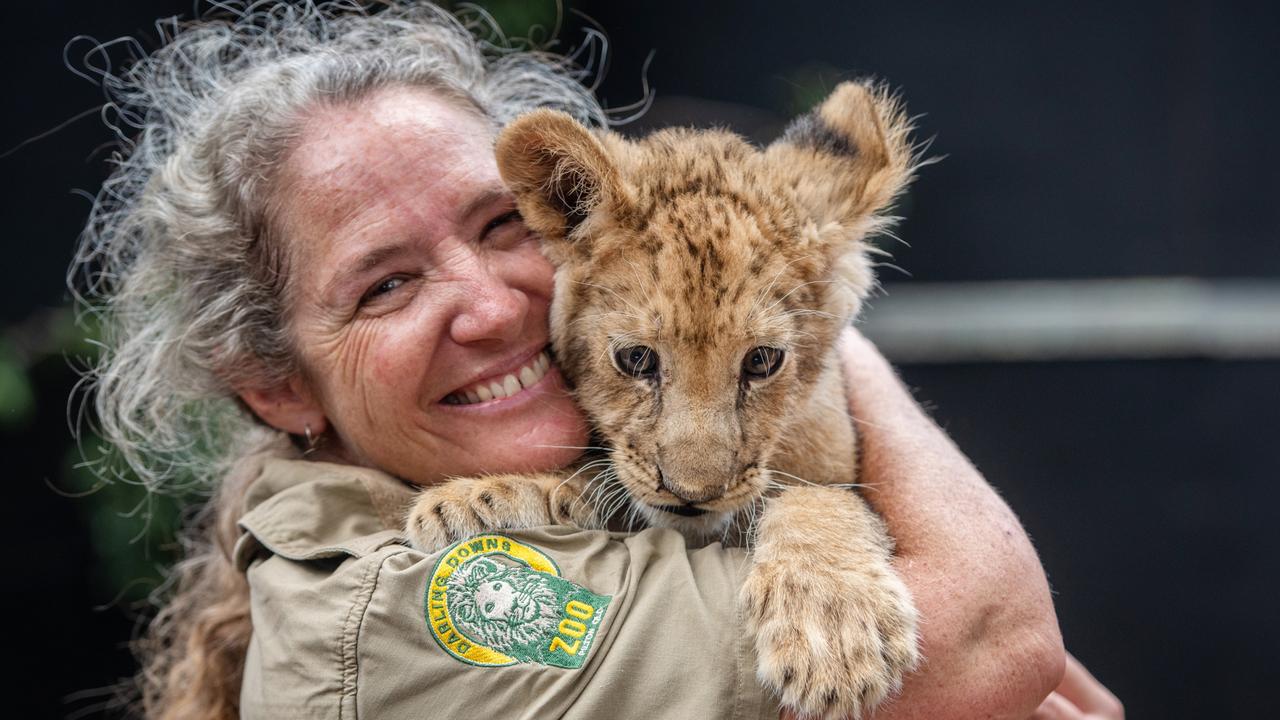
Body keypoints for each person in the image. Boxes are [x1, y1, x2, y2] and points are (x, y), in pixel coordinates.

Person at [69, 2, 1104, 718]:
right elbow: (983, 646)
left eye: (498, 225)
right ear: (277, 384)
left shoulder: (572, 443)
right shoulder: (419, 610)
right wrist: (811, 335)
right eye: (384, 285)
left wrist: (765, 311)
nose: (488, 305)